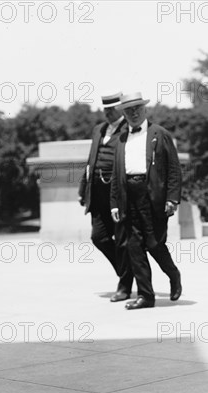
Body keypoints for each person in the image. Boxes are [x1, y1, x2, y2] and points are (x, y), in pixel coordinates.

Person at [110, 92, 182, 309]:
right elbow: (116, 173)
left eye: (137, 109)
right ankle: (145, 296)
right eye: (128, 110)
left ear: (145, 109)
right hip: (128, 197)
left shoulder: (160, 134)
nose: (133, 113)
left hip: (153, 196)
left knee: (154, 243)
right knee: (134, 247)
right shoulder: (121, 138)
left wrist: (172, 198)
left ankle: (173, 274)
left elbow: (173, 169)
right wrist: (114, 202)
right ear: (123, 113)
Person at [78, 92, 133, 302]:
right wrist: (83, 189)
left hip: (116, 193)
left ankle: (124, 287)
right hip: (97, 193)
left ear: (120, 109)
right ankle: (125, 270)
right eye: (105, 109)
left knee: (121, 240)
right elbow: (90, 161)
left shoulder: (128, 129)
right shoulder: (98, 130)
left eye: (112, 109)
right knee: (98, 237)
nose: (108, 113)